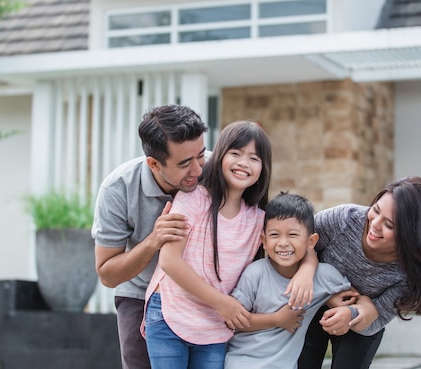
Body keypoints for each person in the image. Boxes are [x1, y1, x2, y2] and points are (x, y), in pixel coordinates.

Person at [142, 121, 317, 369]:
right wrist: (222, 303)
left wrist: (308, 269)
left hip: (215, 324)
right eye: (235, 153)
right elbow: (169, 261)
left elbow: (301, 241)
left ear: (263, 168)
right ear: (220, 155)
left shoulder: (258, 219)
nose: (243, 163)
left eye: (254, 158)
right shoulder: (192, 199)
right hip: (171, 312)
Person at [298, 176, 421, 369]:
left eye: (389, 225)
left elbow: (374, 319)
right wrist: (328, 295)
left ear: (412, 235)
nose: (374, 224)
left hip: (360, 324)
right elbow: (297, 248)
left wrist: (352, 313)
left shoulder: (409, 273)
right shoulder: (343, 219)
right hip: (311, 300)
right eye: (375, 210)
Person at [92, 104, 208, 369]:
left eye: (200, 155)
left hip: (203, 293)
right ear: (154, 164)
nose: (198, 170)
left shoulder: (216, 170)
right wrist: (154, 240)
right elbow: (107, 274)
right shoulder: (117, 190)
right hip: (141, 294)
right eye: (184, 164)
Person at [224, 192, 369, 369]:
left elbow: (358, 298)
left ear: (311, 241)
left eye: (292, 234)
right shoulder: (255, 273)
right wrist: (277, 319)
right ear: (263, 240)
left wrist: (346, 308)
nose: (283, 243)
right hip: (241, 361)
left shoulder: (324, 276)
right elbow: (234, 321)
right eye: (275, 235)